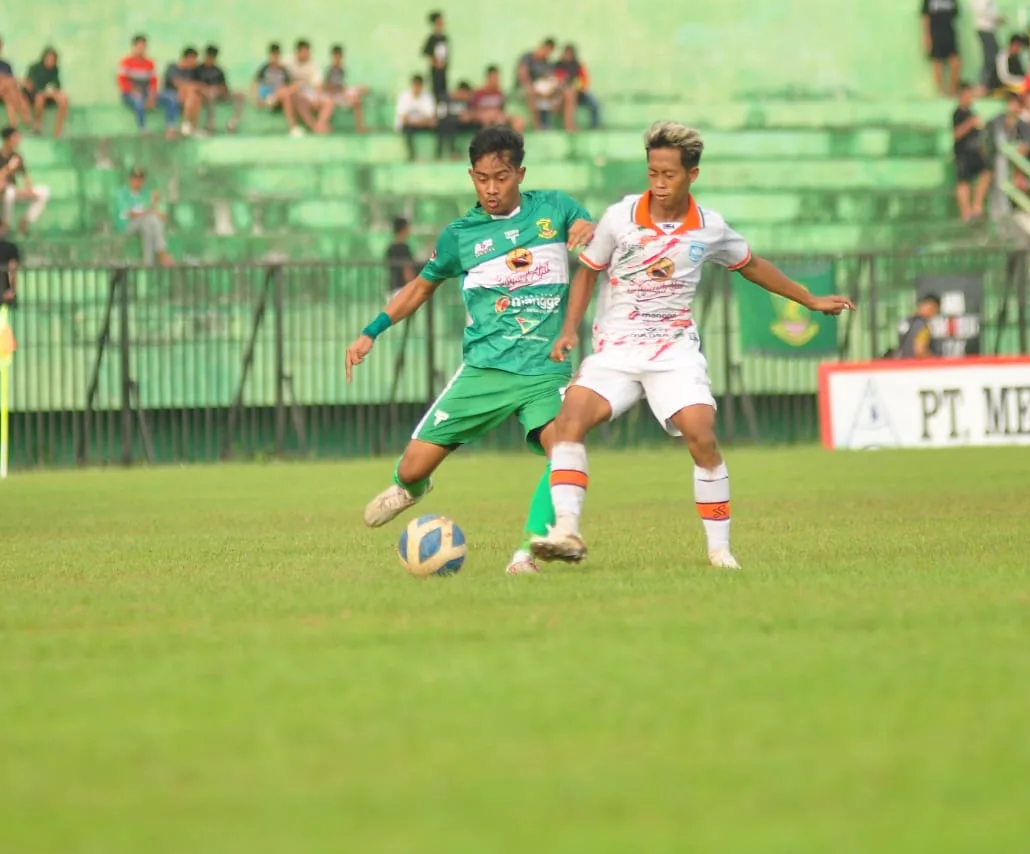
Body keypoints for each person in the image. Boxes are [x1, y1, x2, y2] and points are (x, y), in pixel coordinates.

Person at [532, 122, 854, 569]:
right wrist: (570, 329)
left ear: (692, 174)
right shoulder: (619, 217)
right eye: (652, 173)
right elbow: (588, 269)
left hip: (674, 353)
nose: (659, 184)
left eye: (669, 174)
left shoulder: (709, 228)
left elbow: (752, 265)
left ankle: (719, 550)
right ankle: (566, 528)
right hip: (616, 352)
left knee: (702, 436)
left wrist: (809, 298)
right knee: (569, 421)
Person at [343, 127, 595, 576]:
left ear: (520, 173)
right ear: (471, 176)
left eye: (501, 177)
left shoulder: (554, 209)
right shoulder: (462, 235)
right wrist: (371, 331)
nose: (491, 188)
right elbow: (420, 288)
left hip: (544, 372)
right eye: (481, 178)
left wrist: (585, 227)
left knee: (565, 450)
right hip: (483, 371)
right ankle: (411, 489)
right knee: (411, 467)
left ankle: (527, 554)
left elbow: (586, 228)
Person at [0, 128, 50, 235]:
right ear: (7, 140)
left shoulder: (17, 156)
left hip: (15, 190)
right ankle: (5, 225)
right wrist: (9, 168)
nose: (18, 141)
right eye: (15, 138)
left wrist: (28, 190)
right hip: (1, 191)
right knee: (9, 192)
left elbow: (25, 177)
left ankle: (26, 221)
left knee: (44, 191)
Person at [114, 167, 175, 267]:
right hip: (127, 225)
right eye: (135, 178)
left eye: (140, 179)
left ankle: (148, 262)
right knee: (149, 218)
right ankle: (161, 252)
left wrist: (155, 205)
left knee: (148, 225)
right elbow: (131, 214)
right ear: (130, 179)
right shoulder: (122, 193)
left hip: (144, 223)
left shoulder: (146, 193)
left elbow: (162, 216)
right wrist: (151, 208)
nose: (137, 181)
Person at [951, 83, 990, 222]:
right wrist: (970, 123)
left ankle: (977, 207)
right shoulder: (958, 113)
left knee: (986, 174)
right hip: (963, 153)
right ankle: (965, 212)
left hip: (975, 151)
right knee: (964, 181)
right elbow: (956, 134)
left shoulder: (971, 112)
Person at [921, 0, 961, 97]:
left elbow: (955, 15)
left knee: (955, 62)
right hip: (935, 33)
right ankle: (941, 91)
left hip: (949, 33)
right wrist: (926, 37)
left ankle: (952, 91)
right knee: (937, 63)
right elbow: (925, 17)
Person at [23, 47, 69, 138]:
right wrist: (48, 92)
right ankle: (37, 124)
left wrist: (55, 93)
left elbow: (56, 85)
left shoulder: (55, 70)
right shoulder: (34, 68)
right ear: (44, 58)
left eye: (53, 59)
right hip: (33, 95)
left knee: (64, 98)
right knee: (39, 98)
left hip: (48, 94)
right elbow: (34, 87)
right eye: (49, 59)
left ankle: (58, 130)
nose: (51, 61)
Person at [971, 0, 1002, 90]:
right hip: (985, 26)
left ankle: (986, 84)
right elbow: (981, 7)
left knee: (991, 56)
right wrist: (995, 17)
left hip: (985, 26)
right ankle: (983, 85)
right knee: (991, 57)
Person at [394, 74, 438, 161]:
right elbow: (403, 118)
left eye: (419, 85)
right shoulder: (404, 96)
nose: (416, 88)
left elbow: (431, 117)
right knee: (407, 129)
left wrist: (420, 122)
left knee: (439, 126)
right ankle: (411, 155)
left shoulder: (427, 97)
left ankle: (437, 155)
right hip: (410, 125)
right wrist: (419, 121)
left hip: (422, 124)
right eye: (415, 85)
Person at [895, 293, 940, 359]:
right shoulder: (923, 326)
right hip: (917, 366)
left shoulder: (906, 322)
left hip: (904, 365)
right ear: (931, 307)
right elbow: (920, 350)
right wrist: (935, 360)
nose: (933, 315)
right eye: (935, 311)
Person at [384, 217, 415, 297]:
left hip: (392, 289)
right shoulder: (404, 248)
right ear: (404, 229)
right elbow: (407, 269)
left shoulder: (390, 248)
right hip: (402, 289)